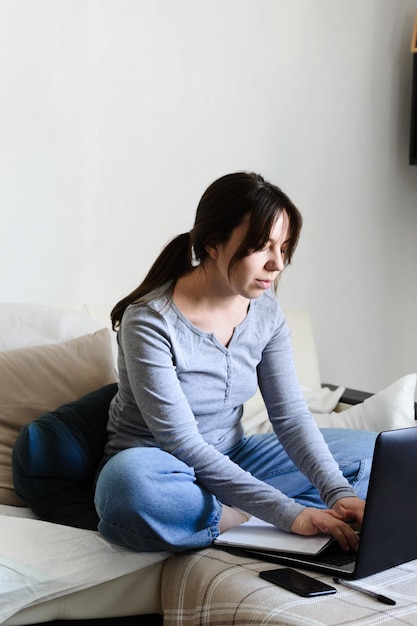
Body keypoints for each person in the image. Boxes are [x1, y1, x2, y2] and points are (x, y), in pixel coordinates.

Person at [94, 171, 377, 554]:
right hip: (164, 468)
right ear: (213, 244)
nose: (277, 264)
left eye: (284, 247)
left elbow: (290, 417)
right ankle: (235, 516)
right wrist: (289, 514)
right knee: (129, 489)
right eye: (263, 247)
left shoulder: (266, 311)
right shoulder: (149, 320)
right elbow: (181, 442)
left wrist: (338, 493)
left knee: (376, 452)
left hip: (235, 454)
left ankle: (250, 509)